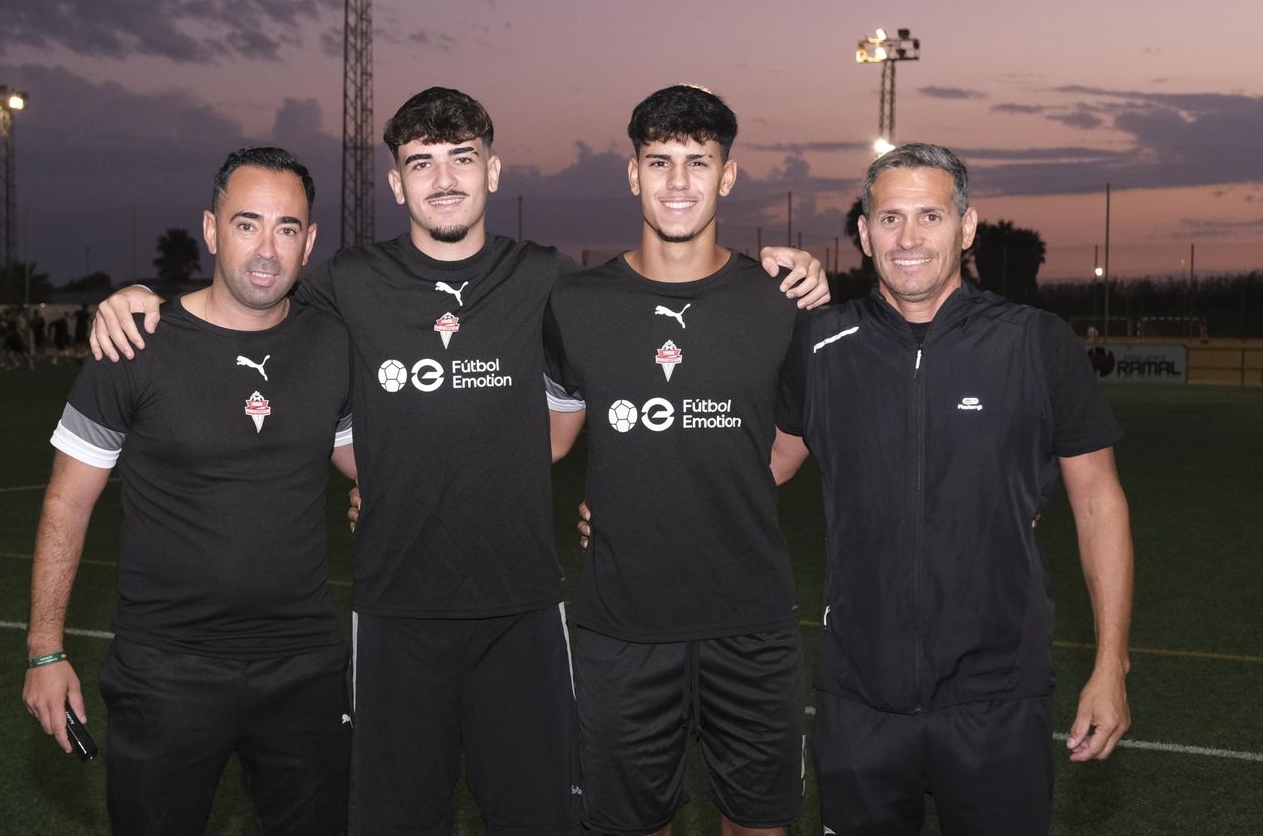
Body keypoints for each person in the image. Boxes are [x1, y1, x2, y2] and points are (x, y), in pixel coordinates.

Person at [90, 88, 829, 835]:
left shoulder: (549, 280)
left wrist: (792, 266)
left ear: (493, 170)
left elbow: (573, 416)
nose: (443, 179)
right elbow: (249, 289)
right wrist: (139, 298)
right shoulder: (348, 279)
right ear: (395, 182)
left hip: (524, 610)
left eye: (461, 159)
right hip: (395, 610)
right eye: (421, 162)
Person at [775, 144, 1134, 834]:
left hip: (997, 698)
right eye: (890, 218)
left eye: (931, 216)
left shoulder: (1035, 343)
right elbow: (760, 468)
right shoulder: (822, 346)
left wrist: (1111, 664)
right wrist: (639, 504)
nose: (908, 238)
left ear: (967, 227)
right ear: (863, 232)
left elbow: (1099, 502)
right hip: (859, 700)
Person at [22, 146, 356, 835]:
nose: (267, 248)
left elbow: (366, 460)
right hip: (166, 669)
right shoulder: (136, 343)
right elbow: (67, 501)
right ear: (210, 230)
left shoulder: (333, 345)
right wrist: (45, 650)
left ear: (311, 241)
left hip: (304, 667)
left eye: (287, 228)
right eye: (247, 224)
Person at [543, 85, 806, 836]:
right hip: (622, 628)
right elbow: (549, 435)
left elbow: (795, 437)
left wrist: (713, 498)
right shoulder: (576, 303)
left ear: (729, 174)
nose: (680, 182)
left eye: (700, 161)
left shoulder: (780, 299)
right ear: (632, 174)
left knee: (758, 824)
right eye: (659, 161)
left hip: (750, 623)